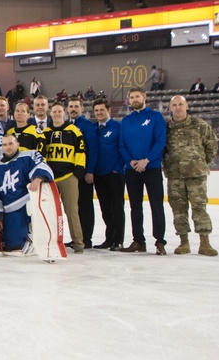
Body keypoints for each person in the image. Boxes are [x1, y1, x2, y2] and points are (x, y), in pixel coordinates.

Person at [164, 95, 218, 256]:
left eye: (180, 104)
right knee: (178, 210)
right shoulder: (166, 128)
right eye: (174, 105)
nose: (178, 108)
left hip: (196, 176)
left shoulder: (199, 125)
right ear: (170, 107)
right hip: (175, 176)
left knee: (199, 208)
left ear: (186, 106)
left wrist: (200, 163)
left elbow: (212, 146)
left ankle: (205, 242)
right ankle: (183, 242)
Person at [0, 133, 53, 253]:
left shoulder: (29, 155)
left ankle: (33, 232)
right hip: (10, 208)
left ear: (17, 144)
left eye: (11, 143)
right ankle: (25, 236)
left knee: (18, 243)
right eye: (4, 145)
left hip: (29, 202)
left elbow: (41, 165)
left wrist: (38, 177)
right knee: (13, 245)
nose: (8, 147)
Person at [119, 88, 168, 254]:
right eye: (131, 97)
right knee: (135, 207)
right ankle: (138, 240)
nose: (134, 99)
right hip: (132, 170)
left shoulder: (155, 117)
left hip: (151, 168)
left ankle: (160, 241)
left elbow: (160, 141)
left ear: (144, 97)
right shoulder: (126, 121)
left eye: (137, 96)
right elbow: (122, 145)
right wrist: (131, 161)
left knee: (156, 206)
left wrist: (146, 160)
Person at [42, 101, 86, 253]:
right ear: (50, 113)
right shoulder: (46, 133)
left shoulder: (74, 131)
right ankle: (53, 240)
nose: (56, 114)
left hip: (68, 177)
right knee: (50, 212)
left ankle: (78, 243)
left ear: (64, 113)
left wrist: (77, 174)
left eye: (59, 111)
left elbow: (81, 151)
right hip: (51, 179)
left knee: (72, 211)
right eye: (54, 111)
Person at [92, 99, 125, 251]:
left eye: (102, 110)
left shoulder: (118, 127)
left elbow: (123, 149)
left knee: (117, 207)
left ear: (109, 111)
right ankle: (109, 238)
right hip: (99, 175)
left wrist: (117, 169)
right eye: (96, 110)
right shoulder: (94, 129)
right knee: (105, 208)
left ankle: (118, 240)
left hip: (115, 174)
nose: (99, 113)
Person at [68, 98, 99, 249]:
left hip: (84, 173)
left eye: (76, 106)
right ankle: (76, 236)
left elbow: (93, 149)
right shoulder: (66, 125)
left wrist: (90, 171)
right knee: (74, 207)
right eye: (71, 106)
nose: (73, 109)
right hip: (70, 174)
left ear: (82, 108)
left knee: (85, 205)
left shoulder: (87, 126)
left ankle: (86, 238)